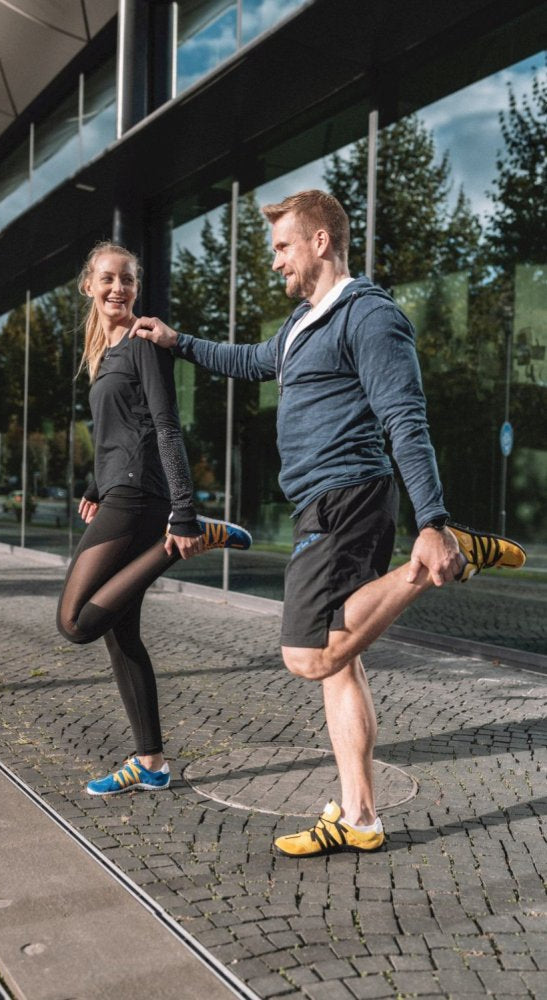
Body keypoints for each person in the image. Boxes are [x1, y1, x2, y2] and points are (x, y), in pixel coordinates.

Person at [129, 190, 526, 857]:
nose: (275, 262)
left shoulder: (367, 316)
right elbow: (250, 360)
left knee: (307, 654)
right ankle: (360, 817)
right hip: (325, 501)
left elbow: (404, 417)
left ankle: (437, 557)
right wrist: (179, 342)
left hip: (344, 499)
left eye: (282, 247)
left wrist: (431, 520)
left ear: (319, 241)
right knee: (340, 664)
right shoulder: (298, 326)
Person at [57, 241, 251, 797]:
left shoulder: (143, 342)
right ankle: (151, 763)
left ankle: (183, 543)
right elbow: (119, 429)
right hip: (121, 488)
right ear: (89, 286)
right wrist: (96, 483)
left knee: (75, 623)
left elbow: (166, 426)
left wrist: (183, 513)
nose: (119, 288)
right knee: (122, 636)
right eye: (108, 279)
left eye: (127, 280)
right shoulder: (104, 350)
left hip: (142, 496)